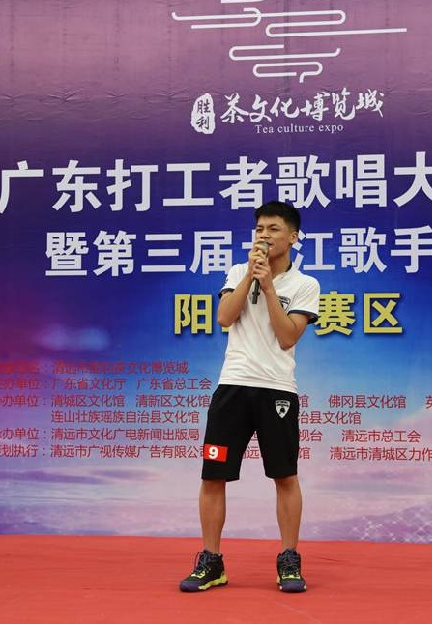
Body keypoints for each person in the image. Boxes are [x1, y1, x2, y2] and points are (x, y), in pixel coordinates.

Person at [179, 201, 321, 594]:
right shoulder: (238, 272)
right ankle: (212, 561)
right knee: (213, 475)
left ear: (293, 236)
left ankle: (289, 559)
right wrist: (250, 277)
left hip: (277, 390)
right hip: (232, 387)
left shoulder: (305, 285)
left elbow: (287, 336)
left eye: (273, 229)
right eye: (259, 229)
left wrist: (270, 287)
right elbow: (224, 317)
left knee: (284, 475)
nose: (264, 235)